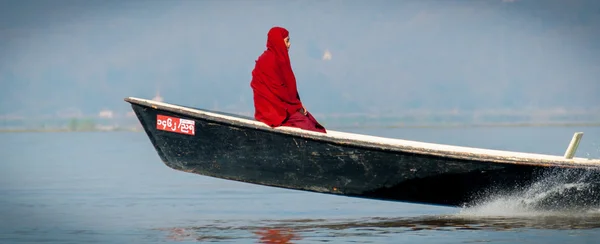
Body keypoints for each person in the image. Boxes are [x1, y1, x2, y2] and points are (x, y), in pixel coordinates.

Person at [250, 26, 327, 133]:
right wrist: (297, 106)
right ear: (278, 42)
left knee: (311, 122)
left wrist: (298, 104)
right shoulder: (267, 61)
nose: (289, 44)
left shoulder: (281, 60)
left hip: (285, 107)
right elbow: (279, 91)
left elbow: (289, 88)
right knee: (308, 126)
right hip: (273, 112)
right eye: (287, 41)